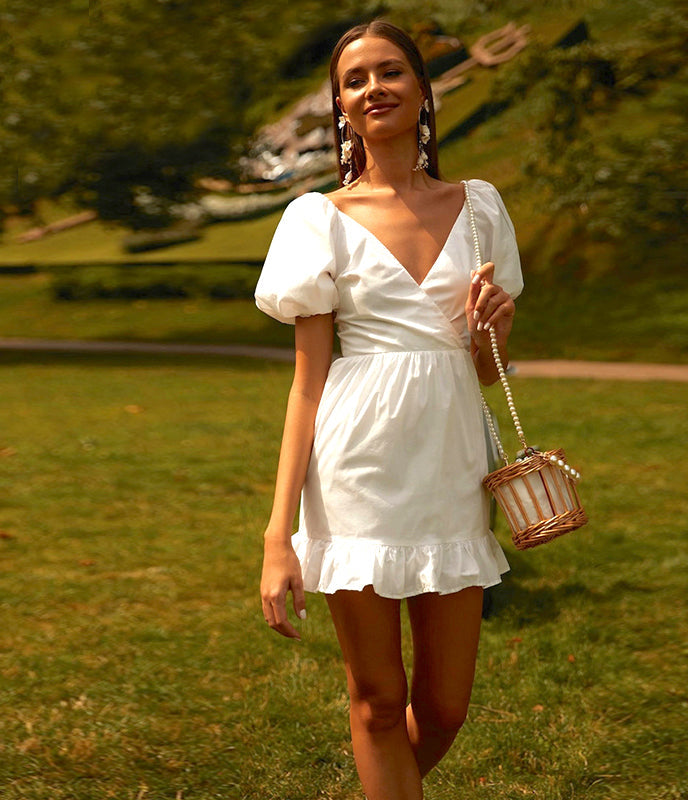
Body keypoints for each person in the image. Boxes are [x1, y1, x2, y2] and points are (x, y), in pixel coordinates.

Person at [254, 20, 523, 800]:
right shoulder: (316, 218)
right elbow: (307, 384)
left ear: (423, 86)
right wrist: (279, 539)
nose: (374, 88)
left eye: (391, 71)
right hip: (355, 470)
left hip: (451, 467)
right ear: (341, 106)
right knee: (378, 701)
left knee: (444, 705)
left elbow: (486, 370)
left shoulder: (479, 208)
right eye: (355, 80)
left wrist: (493, 330)